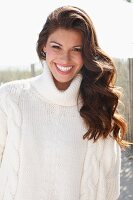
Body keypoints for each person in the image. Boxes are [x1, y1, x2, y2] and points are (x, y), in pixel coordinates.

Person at [0, 5, 129, 200]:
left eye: (76, 49)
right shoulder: (11, 98)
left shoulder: (98, 108)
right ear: (44, 46)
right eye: (56, 46)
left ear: (87, 53)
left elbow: (109, 190)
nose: (65, 58)